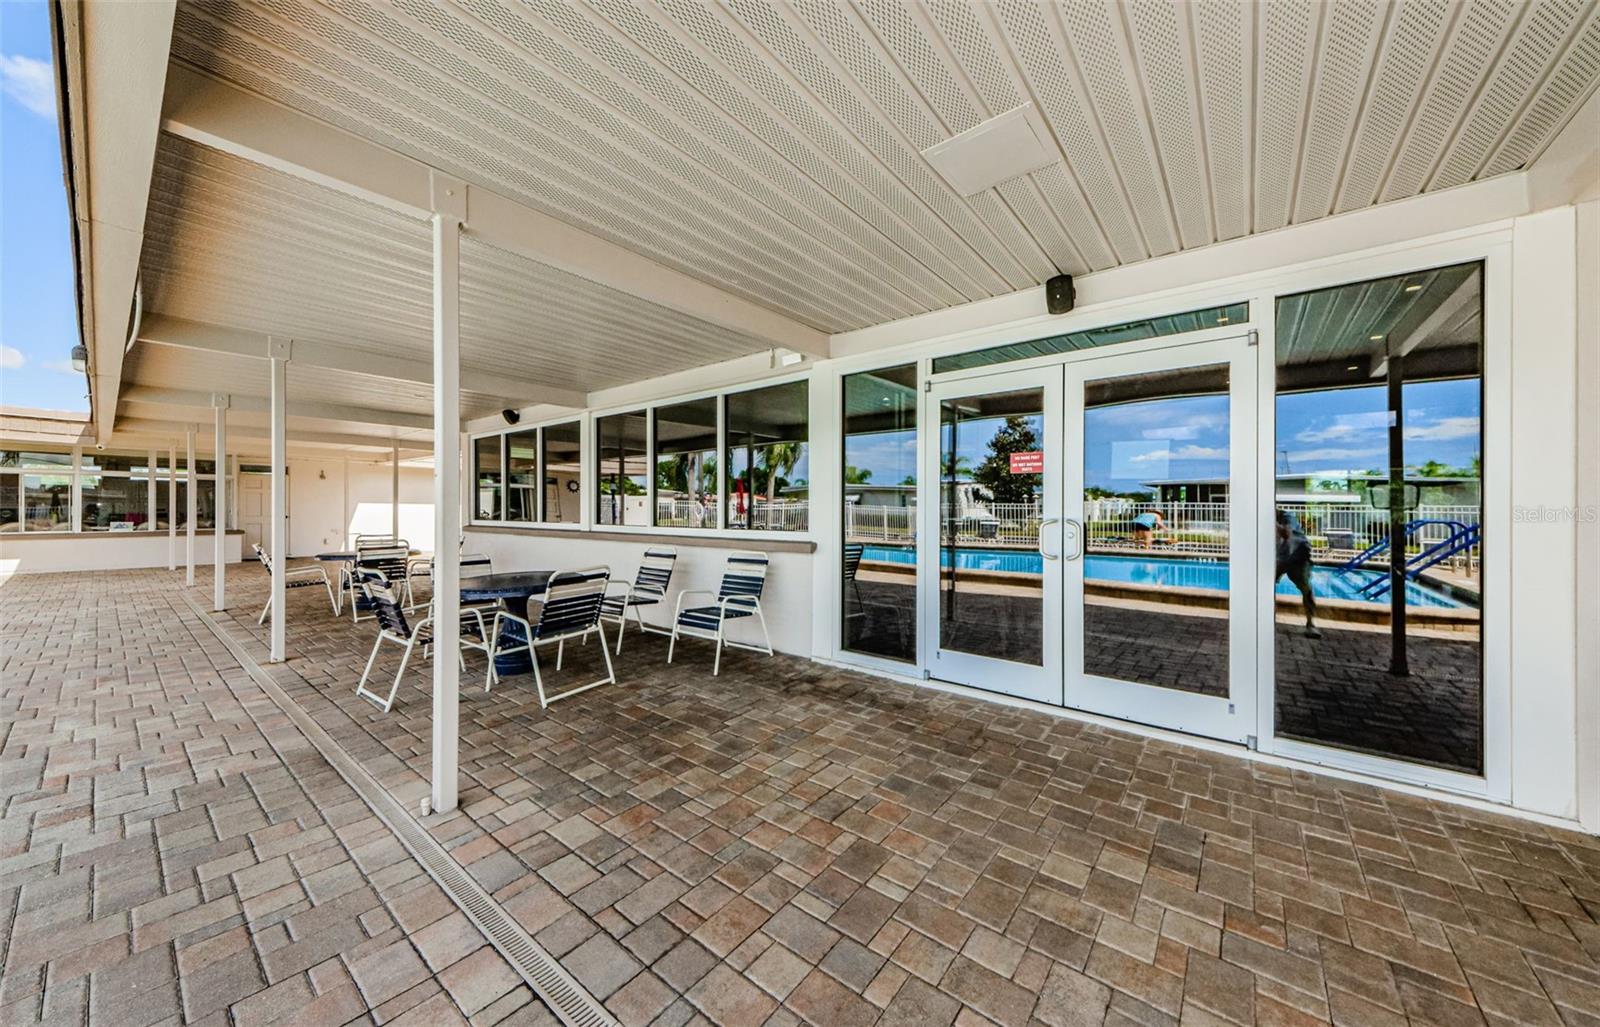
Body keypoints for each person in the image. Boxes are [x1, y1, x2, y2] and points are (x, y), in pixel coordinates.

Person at [1276, 509, 1321, 637]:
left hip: (1298, 555)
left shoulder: (1287, 516)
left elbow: (1286, 534)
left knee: (1306, 588)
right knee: (1261, 585)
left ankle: (1311, 624)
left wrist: (1271, 522)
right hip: (1280, 557)